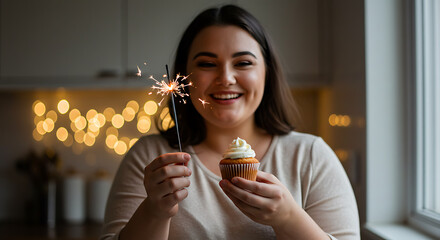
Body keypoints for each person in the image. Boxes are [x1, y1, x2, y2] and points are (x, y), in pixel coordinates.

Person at [101, 4, 360, 240]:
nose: (225, 78)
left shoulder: (311, 158)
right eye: (206, 63)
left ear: (267, 73)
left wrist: (288, 218)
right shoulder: (151, 158)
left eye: (244, 63)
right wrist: (154, 212)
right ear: (184, 77)